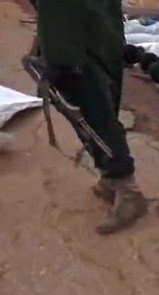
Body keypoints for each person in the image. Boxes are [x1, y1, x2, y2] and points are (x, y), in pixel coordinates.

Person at [29, 0, 147, 234]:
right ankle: (111, 175)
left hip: (78, 46)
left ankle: (128, 190)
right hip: (90, 34)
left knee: (95, 113)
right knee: (94, 107)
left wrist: (61, 57)